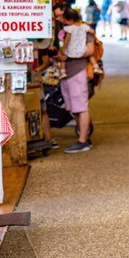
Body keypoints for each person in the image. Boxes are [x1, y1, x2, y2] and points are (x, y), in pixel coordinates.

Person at [57, 8, 95, 154]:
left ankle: (83, 141)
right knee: (74, 107)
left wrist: (70, 55)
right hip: (68, 71)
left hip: (78, 70)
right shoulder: (66, 30)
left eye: (62, 16)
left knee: (81, 106)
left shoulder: (83, 30)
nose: (60, 19)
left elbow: (90, 51)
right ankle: (82, 136)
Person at [58, 8, 91, 79]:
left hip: (71, 53)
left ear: (71, 20)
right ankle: (96, 66)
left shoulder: (69, 28)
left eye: (65, 20)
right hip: (82, 51)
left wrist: (63, 49)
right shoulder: (84, 26)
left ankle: (62, 72)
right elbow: (92, 32)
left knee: (63, 57)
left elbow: (67, 40)